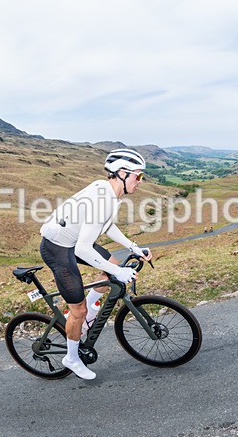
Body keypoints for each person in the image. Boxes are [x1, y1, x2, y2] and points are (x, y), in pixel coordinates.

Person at [39, 148, 153, 380]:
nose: (140, 181)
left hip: (73, 241)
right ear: (122, 173)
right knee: (77, 309)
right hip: (57, 248)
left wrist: (133, 247)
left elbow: (107, 225)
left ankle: (90, 312)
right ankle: (71, 357)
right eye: (138, 176)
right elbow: (83, 249)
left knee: (109, 264)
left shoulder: (109, 192)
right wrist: (118, 271)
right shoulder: (101, 199)